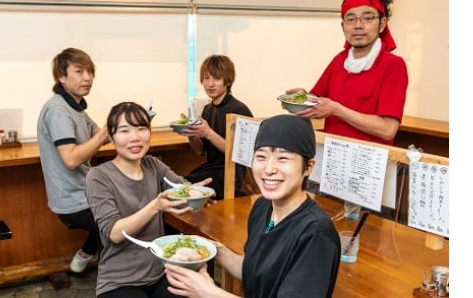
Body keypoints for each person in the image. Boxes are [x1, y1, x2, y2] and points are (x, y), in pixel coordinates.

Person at [164, 114, 341, 298]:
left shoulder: (316, 234)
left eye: (283, 158)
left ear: (308, 167)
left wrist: (209, 293)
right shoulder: (263, 207)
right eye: (261, 156)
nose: (269, 169)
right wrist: (213, 249)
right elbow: (255, 272)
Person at [85, 101, 212, 297]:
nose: (135, 138)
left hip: (161, 272)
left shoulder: (153, 165)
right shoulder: (98, 176)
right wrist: (155, 206)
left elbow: (181, 186)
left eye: (141, 128)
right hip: (120, 280)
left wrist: (198, 194)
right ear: (111, 136)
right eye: (124, 131)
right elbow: (115, 233)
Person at [287, 0, 408, 146]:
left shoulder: (393, 65)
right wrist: (302, 98)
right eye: (351, 19)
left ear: (382, 23)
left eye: (367, 18)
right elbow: (317, 102)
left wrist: (336, 110)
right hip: (334, 155)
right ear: (343, 26)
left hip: (369, 162)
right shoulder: (339, 60)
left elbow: (387, 130)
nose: (358, 25)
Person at [37, 47, 109, 273]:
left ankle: (86, 254)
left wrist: (126, 124)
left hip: (85, 189)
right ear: (61, 76)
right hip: (72, 199)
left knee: (125, 203)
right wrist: (106, 134)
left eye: (90, 72)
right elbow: (70, 159)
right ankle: (118, 279)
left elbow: (99, 136)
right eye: (79, 71)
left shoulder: (76, 107)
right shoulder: (58, 110)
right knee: (120, 221)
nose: (87, 78)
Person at [181, 55, 253, 200]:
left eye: (217, 78)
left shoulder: (239, 110)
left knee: (184, 190)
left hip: (230, 176)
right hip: (211, 169)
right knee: (178, 186)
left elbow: (242, 155)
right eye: (207, 78)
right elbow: (200, 150)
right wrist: (191, 133)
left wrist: (208, 133)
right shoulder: (208, 109)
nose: (210, 84)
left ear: (227, 81)